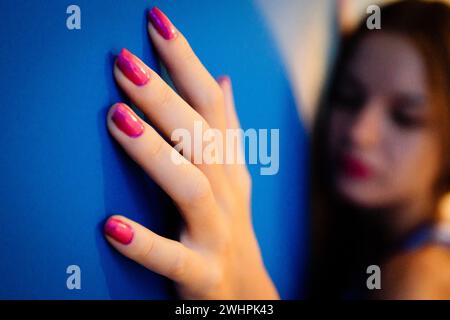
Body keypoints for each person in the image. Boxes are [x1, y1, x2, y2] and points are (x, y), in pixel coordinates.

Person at [102, 1, 450, 299]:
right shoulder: (362, 244)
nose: (360, 133)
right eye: (348, 97)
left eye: (405, 117)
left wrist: (244, 286)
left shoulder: (423, 276)